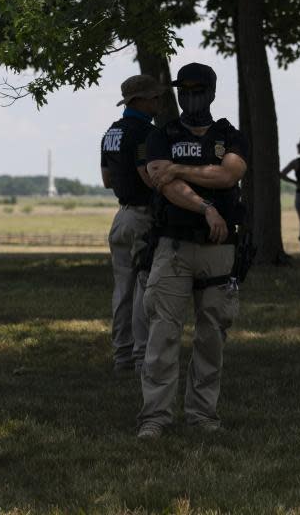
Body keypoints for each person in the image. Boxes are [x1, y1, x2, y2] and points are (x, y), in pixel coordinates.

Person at [136, 62, 248, 439]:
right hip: (173, 247)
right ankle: (155, 417)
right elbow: (162, 184)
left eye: (198, 90)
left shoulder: (229, 135)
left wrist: (179, 168)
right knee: (162, 335)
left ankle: (203, 415)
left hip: (219, 249)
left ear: (213, 93)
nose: (191, 97)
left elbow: (228, 174)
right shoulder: (161, 134)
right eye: (184, 90)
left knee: (211, 335)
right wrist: (206, 207)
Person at [101, 74, 162, 373]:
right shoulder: (144, 133)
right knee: (143, 287)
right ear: (139, 100)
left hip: (121, 217)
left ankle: (121, 356)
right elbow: (146, 175)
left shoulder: (111, 132)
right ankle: (141, 358)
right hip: (142, 218)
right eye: (154, 97)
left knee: (122, 291)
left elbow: (106, 179)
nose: (158, 102)